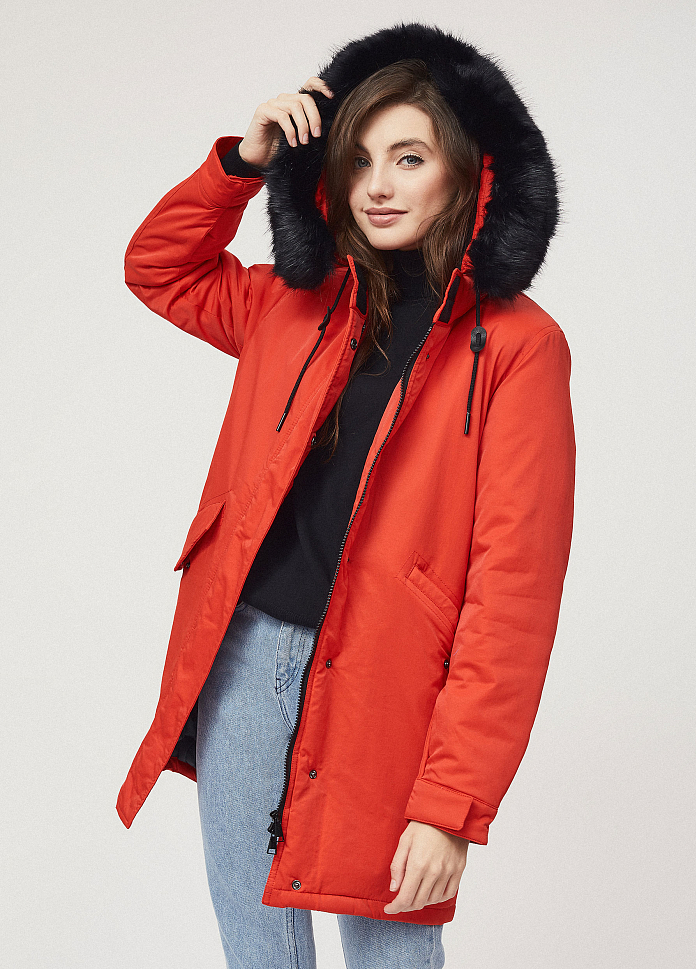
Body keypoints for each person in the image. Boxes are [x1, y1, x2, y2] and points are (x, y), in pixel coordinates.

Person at [117, 22, 576, 969]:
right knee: (258, 950)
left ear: (467, 170)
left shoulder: (518, 346)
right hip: (245, 656)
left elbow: (514, 594)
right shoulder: (294, 300)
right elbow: (159, 267)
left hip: (389, 684)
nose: (378, 185)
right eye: (358, 158)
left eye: (409, 158)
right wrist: (243, 165)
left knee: (389, 953)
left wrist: (451, 806)